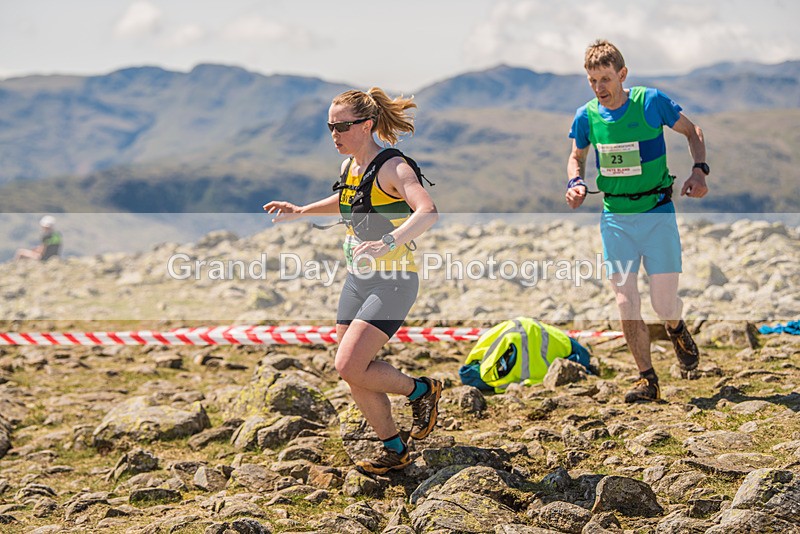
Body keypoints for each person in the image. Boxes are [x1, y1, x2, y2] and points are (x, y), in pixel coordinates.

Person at [263, 87, 442, 473]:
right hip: (358, 279)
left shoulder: (394, 167)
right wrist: (300, 211)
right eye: (330, 126)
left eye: (341, 126)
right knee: (351, 369)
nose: (334, 134)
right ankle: (394, 450)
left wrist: (388, 241)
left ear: (366, 125)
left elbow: (428, 211)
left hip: (393, 281)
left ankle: (422, 390)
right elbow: (345, 201)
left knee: (349, 364)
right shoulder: (350, 168)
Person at [565, 40, 709, 403]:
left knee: (663, 305)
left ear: (622, 75)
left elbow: (693, 132)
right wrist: (575, 182)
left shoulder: (650, 102)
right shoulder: (586, 117)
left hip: (658, 214)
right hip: (615, 218)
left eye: (606, 79)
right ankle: (647, 378)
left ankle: (675, 327)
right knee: (625, 301)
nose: (600, 88)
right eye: (592, 80)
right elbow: (576, 157)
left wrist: (699, 172)